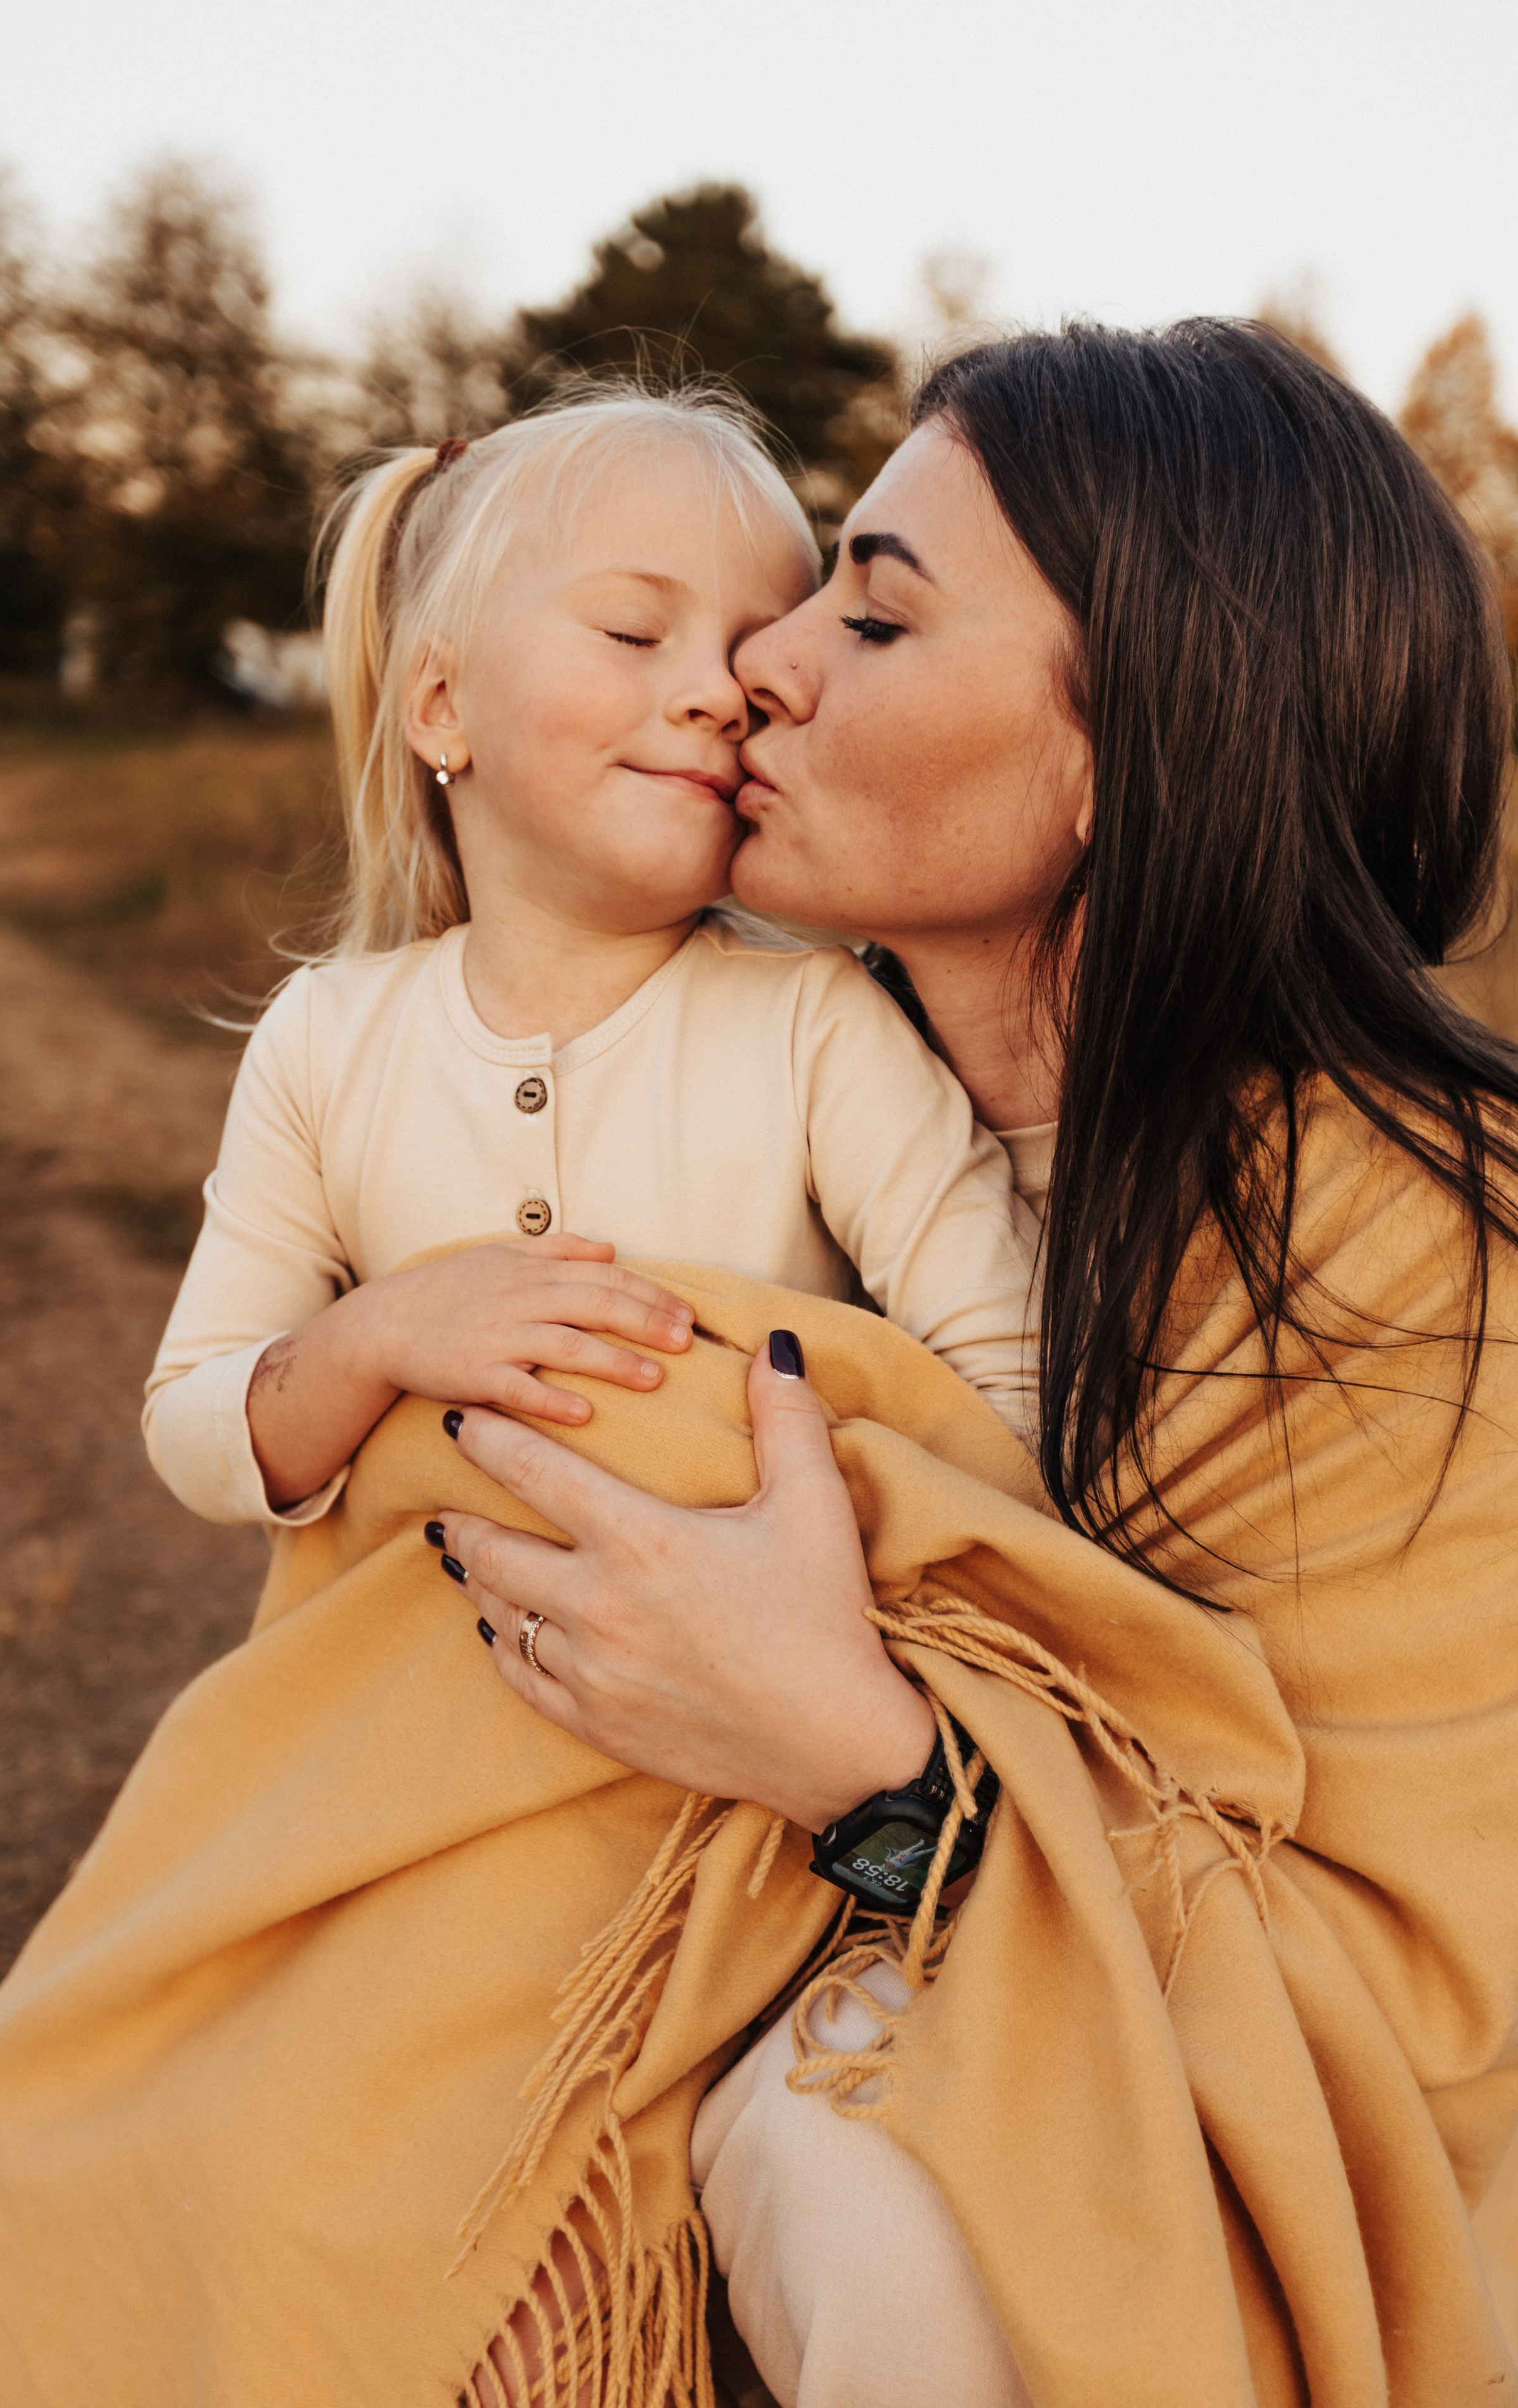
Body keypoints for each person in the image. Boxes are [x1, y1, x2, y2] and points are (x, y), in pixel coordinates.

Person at [420, 323, 1518, 2402]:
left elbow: (1406, 2017)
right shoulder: (776, 1116)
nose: (763, 660)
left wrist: (871, 1763)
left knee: (873, 2191)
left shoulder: (1413, 1255)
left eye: (878, 607)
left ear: (1128, 748)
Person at [141, 386, 1038, 1548]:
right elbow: (196, 1428)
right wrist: (376, 1336)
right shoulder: (326, 1038)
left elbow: (1011, 1403)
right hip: (410, 1702)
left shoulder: (818, 1026)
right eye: (632, 631)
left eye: (752, 656)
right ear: (442, 703)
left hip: (744, 1697)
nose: (724, 692)